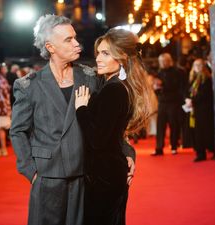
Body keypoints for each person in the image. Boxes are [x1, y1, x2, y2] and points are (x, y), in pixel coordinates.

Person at [10, 15, 135, 225]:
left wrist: (127, 152)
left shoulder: (91, 77)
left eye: (75, 38)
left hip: (85, 177)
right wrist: (31, 172)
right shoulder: (29, 86)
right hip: (47, 178)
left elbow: (109, 124)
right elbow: (17, 131)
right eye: (68, 40)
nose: (77, 43)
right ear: (50, 46)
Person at [74, 28, 152, 225]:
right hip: (109, 173)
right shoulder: (116, 85)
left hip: (104, 177)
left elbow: (97, 139)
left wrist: (81, 109)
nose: (98, 58)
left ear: (122, 57)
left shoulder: (114, 90)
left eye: (106, 53)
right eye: (98, 53)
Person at [151, 53, 186, 156]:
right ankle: (159, 148)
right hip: (162, 102)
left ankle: (174, 146)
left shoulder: (177, 72)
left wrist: (162, 85)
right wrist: (156, 88)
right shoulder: (160, 72)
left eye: (164, 61)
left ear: (169, 61)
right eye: (160, 61)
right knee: (160, 126)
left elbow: (177, 87)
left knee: (173, 125)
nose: (162, 63)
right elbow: (157, 89)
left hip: (173, 102)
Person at [184, 58, 215, 162]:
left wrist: (193, 100)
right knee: (196, 132)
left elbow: (205, 94)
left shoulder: (206, 79)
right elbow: (187, 91)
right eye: (195, 65)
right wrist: (187, 99)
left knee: (206, 131)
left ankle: (211, 150)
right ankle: (200, 153)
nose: (197, 67)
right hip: (194, 110)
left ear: (203, 67)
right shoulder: (192, 78)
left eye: (199, 65)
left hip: (204, 110)